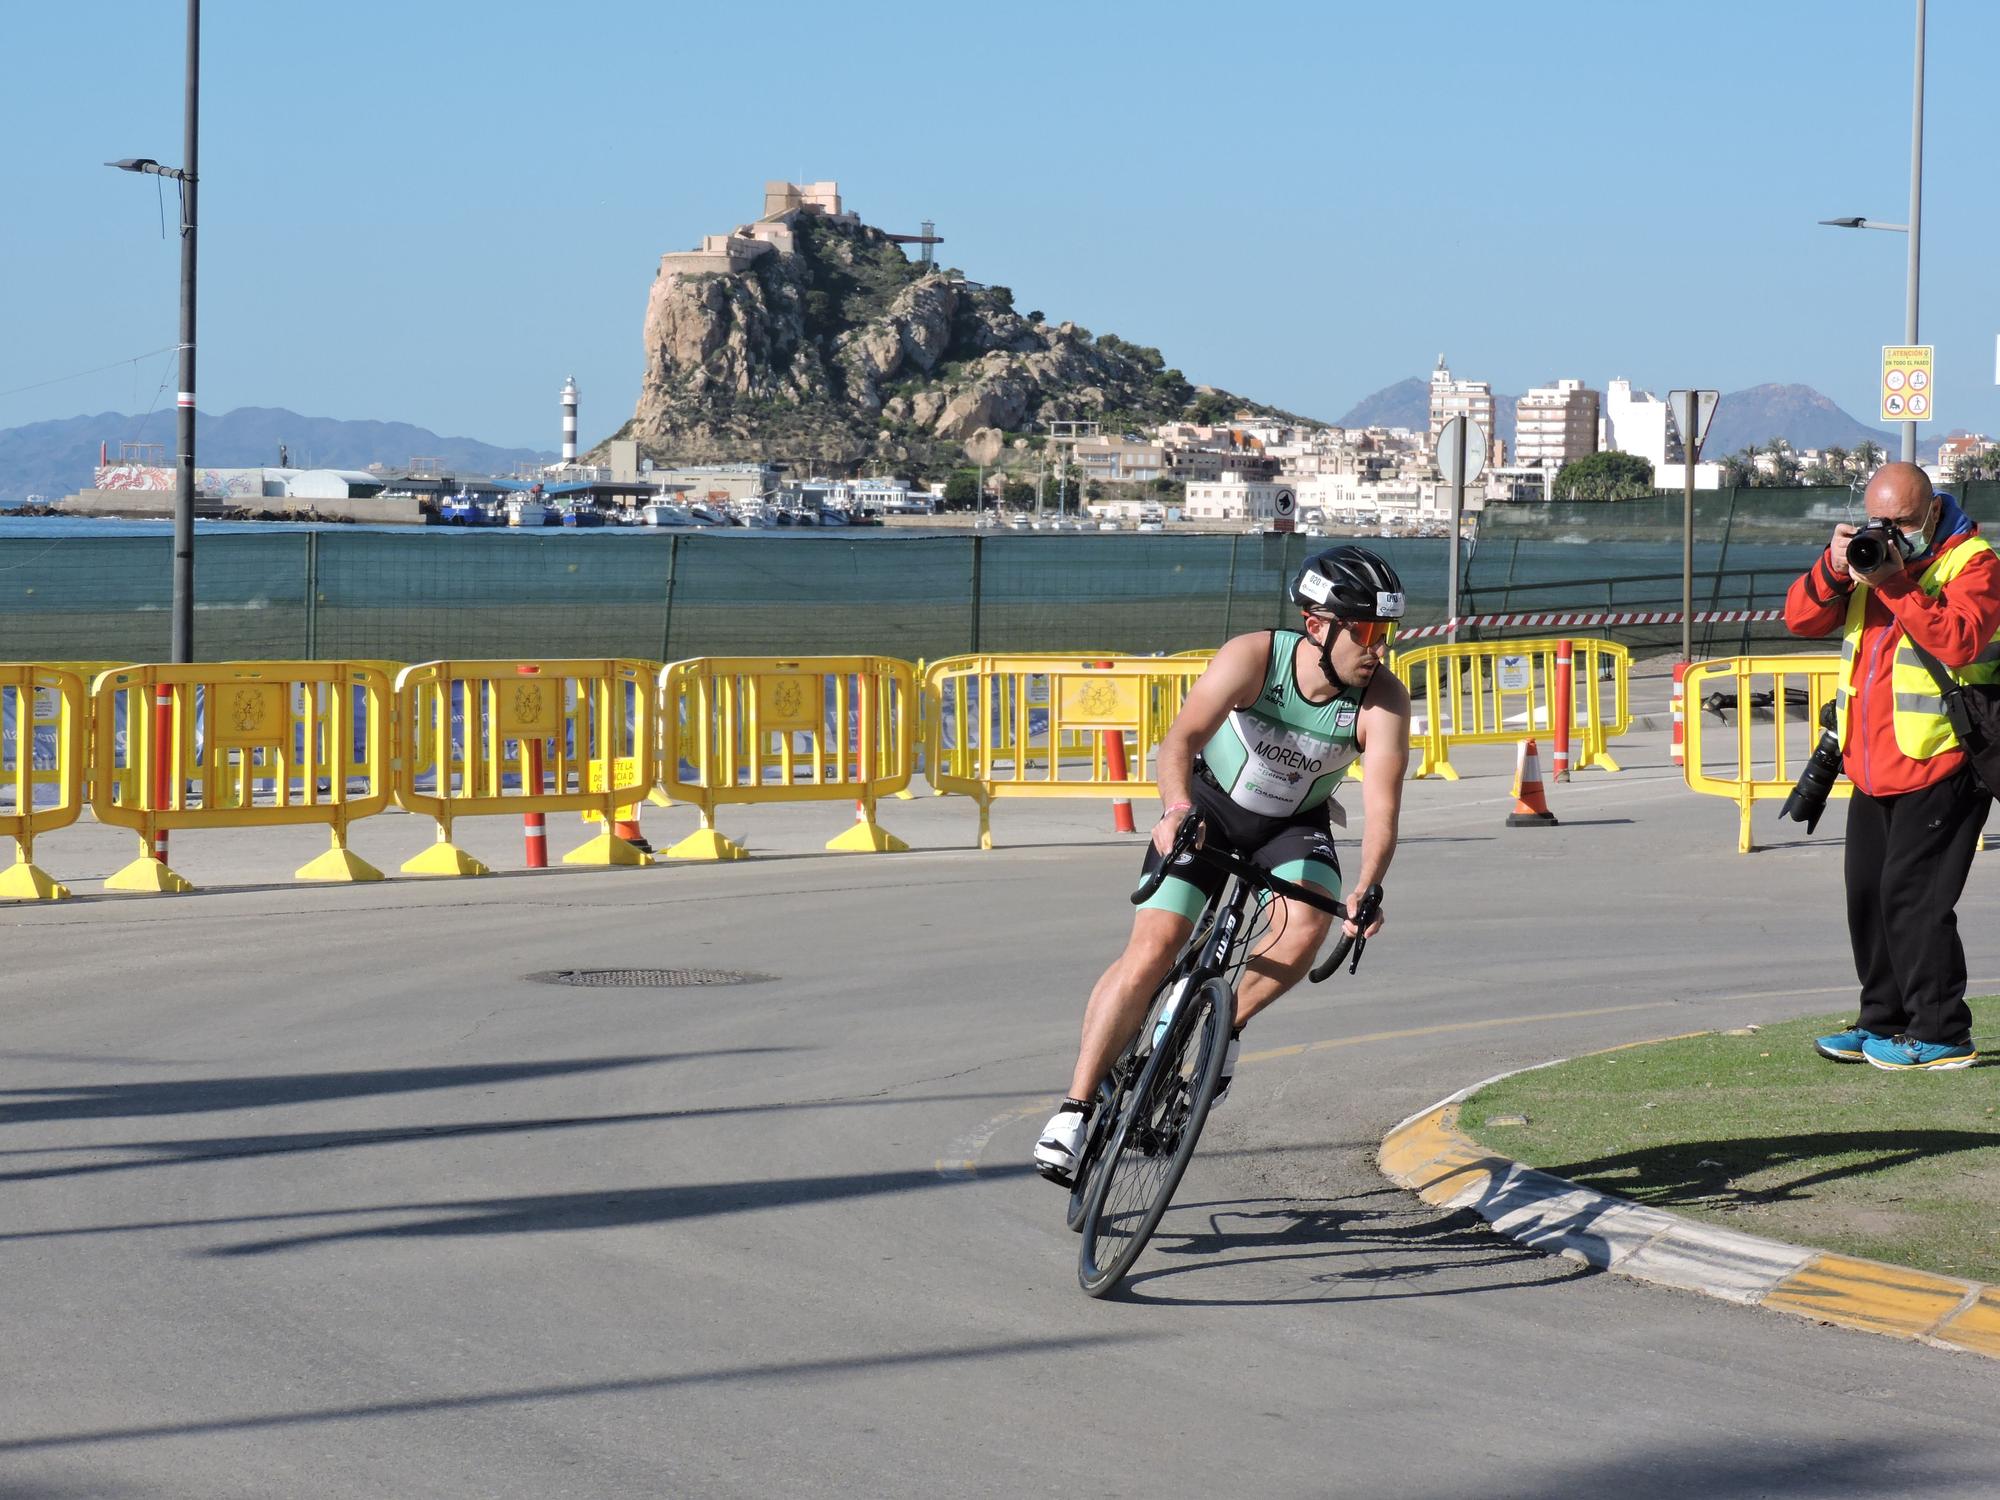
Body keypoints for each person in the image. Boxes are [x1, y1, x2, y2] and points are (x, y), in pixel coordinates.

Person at [1033, 545, 1413, 1183]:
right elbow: (1179, 740)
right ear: (1317, 625)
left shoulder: (1383, 702)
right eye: (1368, 631)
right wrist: (1177, 807)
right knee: (1153, 948)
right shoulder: (1255, 658)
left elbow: (1382, 811)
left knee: (1306, 926)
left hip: (1294, 825)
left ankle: (1221, 1028)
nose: (1377, 648)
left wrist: (1369, 888)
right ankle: (1074, 1110)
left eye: (1386, 633)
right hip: (1208, 806)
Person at [1784, 461, 2000, 1071]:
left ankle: (1942, 1031)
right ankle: (1883, 1019)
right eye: (1880, 522)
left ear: (1932, 512)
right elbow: (1800, 619)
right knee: (1868, 895)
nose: (1889, 533)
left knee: (1916, 898)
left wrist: (1894, 582)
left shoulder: (1974, 562)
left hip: (1942, 757)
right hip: (1872, 760)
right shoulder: (1866, 557)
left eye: (1901, 522)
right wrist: (1834, 568)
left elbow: (1960, 640)